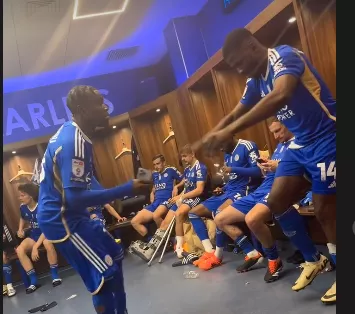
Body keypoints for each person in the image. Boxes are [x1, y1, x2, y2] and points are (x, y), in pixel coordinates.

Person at [195, 28, 336, 304]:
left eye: (238, 62)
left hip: (327, 135)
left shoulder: (284, 56)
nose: (238, 70)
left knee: (324, 210)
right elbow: (238, 111)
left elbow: (280, 95)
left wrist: (229, 131)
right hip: (301, 144)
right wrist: (211, 134)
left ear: (251, 45)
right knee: (276, 201)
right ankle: (313, 258)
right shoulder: (255, 80)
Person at [37, 85, 151, 314]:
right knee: (103, 277)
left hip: (73, 213)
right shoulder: (73, 141)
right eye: (99, 103)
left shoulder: (78, 134)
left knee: (116, 255)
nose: (106, 107)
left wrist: (121, 190)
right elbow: (75, 197)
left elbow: (85, 180)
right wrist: (126, 188)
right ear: (83, 109)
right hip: (62, 221)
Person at [190, 137, 263, 270]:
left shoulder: (247, 145)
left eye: (222, 145)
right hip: (229, 191)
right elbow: (233, 179)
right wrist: (222, 188)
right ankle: (210, 252)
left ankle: (224, 255)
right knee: (194, 213)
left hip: (245, 190)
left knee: (219, 214)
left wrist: (233, 169)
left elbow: (258, 171)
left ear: (230, 136)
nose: (222, 150)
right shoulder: (227, 152)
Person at [132, 144, 208, 261]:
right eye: (154, 165)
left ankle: (177, 245)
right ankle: (151, 248)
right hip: (177, 198)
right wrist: (153, 193)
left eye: (184, 156)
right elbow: (185, 183)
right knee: (158, 222)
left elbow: (198, 189)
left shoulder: (195, 168)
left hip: (186, 199)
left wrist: (178, 192)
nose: (182, 159)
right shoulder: (186, 169)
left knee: (161, 215)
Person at [16, 183, 62, 293]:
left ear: (30, 196)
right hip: (34, 235)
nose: (20, 198)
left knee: (47, 243)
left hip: (48, 233)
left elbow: (46, 229)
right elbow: (22, 218)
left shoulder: (42, 207)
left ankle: (55, 275)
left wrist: (36, 247)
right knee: (19, 249)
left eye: (22, 195)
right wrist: (20, 229)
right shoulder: (23, 207)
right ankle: (33, 281)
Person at [131, 154, 182, 240]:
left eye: (158, 163)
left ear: (164, 162)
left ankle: (167, 239)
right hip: (155, 203)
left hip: (167, 201)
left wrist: (177, 186)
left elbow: (185, 179)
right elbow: (155, 186)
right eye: (154, 164)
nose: (156, 166)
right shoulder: (154, 174)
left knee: (156, 216)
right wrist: (152, 192)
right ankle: (151, 241)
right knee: (134, 221)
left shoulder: (171, 170)